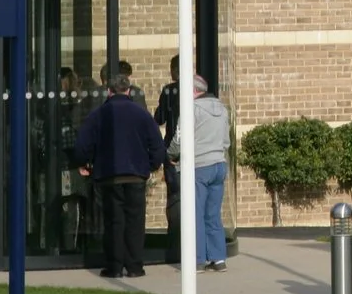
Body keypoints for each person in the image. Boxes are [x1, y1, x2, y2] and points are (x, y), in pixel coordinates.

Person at [72, 65, 166, 278]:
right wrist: (152, 165)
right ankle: (134, 267)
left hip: (109, 176)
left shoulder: (99, 114)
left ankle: (114, 267)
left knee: (114, 222)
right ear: (129, 90)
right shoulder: (141, 115)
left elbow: (83, 144)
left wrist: (83, 163)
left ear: (108, 91)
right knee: (135, 222)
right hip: (135, 176)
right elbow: (157, 145)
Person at [174, 65, 234, 271]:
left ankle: (197, 260)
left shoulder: (191, 109)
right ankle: (218, 258)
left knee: (195, 215)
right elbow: (227, 141)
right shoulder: (222, 109)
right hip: (219, 164)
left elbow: (179, 139)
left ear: (193, 90)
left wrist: (171, 155)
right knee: (213, 214)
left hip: (199, 166)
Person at [153, 64, 181, 260]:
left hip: (173, 149)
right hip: (196, 151)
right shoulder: (196, 91)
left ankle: (175, 240)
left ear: (173, 70)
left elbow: (159, 118)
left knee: (174, 196)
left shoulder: (169, 91)